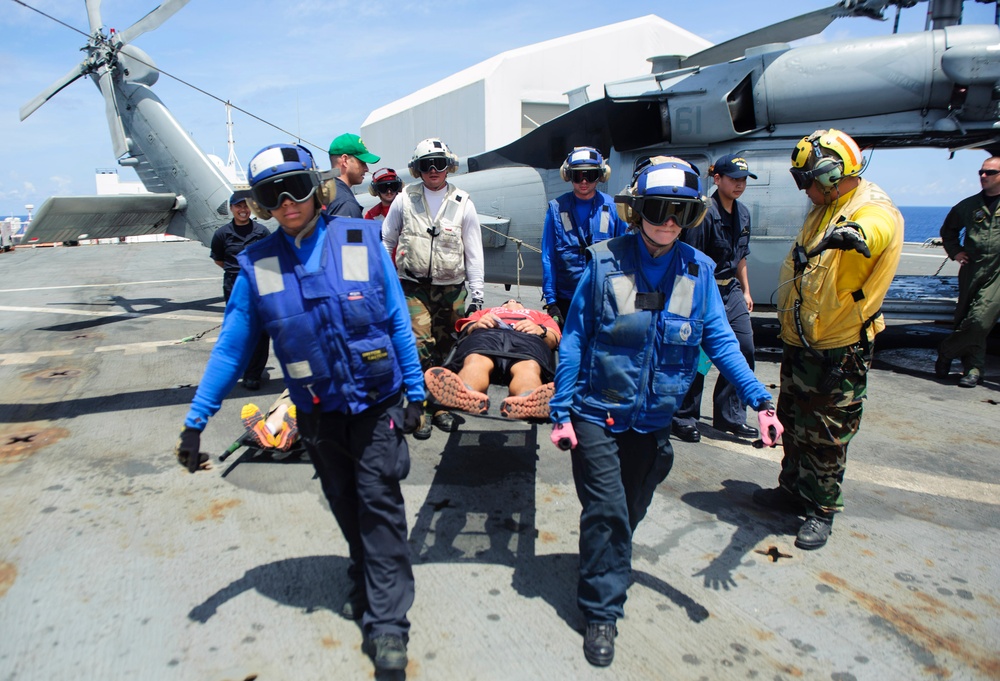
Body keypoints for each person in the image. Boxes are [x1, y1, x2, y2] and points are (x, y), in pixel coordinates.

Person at [174, 143, 425, 673]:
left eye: (295, 189)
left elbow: (397, 320)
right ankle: (366, 571)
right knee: (345, 504)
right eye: (272, 195)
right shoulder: (259, 265)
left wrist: (417, 394)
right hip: (317, 413)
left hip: (376, 404)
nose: (287, 202)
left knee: (379, 504)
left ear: (316, 188)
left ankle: (388, 625)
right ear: (262, 204)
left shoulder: (358, 239)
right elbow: (231, 347)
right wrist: (195, 421)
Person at [547, 159, 782, 668]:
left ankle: (600, 562)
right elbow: (574, 339)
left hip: (651, 421)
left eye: (680, 212)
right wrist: (560, 408)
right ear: (637, 211)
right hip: (597, 412)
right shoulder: (605, 263)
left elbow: (720, 340)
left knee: (627, 512)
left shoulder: (696, 272)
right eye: (658, 209)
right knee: (608, 511)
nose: (668, 222)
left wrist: (760, 398)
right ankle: (601, 612)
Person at [754, 129, 903, 551]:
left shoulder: (870, 207)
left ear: (831, 174)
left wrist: (855, 235)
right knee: (795, 420)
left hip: (840, 347)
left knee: (828, 431)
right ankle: (791, 489)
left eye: (807, 181)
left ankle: (822, 509)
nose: (804, 190)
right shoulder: (825, 205)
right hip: (804, 340)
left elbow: (876, 229)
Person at [382, 137, 486, 439]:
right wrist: (389, 280)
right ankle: (423, 409)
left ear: (448, 166)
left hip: (451, 290)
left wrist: (477, 296)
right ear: (417, 169)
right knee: (419, 347)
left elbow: (474, 252)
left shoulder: (463, 203)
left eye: (439, 164)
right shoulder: (404, 199)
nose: (433, 170)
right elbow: (386, 240)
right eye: (426, 165)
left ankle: (442, 406)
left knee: (447, 349)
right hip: (413, 287)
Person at [671, 154, 759, 443]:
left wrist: (746, 290)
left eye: (743, 180)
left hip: (730, 288)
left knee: (744, 347)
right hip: (702, 288)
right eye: (734, 178)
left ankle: (729, 417)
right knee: (696, 354)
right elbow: (691, 261)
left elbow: (741, 256)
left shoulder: (743, 213)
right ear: (717, 179)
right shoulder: (704, 214)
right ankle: (683, 416)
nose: (740, 184)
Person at [424, 298, 561, 419]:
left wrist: (541, 330)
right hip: (488, 335)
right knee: (476, 360)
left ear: (524, 308)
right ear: (500, 307)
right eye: (507, 301)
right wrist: (476, 325)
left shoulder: (539, 315)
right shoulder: (487, 312)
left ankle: (527, 399)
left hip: (527, 338)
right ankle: (467, 392)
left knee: (528, 366)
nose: (512, 301)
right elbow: (465, 328)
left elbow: (554, 338)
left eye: (516, 302)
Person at [541, 146, 628, 327]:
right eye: (578, 175)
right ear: (568, 176)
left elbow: (626, 254)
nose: (584, 181)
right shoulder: (557, 209)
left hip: (604, 299)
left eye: (590, 175)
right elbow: (548, 256)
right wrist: (551, 301)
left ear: (601, 175)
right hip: (567, 299)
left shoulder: (612, 209)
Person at [935, 156, 1000, 388]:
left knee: (980, 319)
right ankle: (973, 369)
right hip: (972, 268)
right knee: (966, 318)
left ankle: (946, 350)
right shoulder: (969, 206)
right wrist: (956, 252)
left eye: (990, 173)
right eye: (981, 172)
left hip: (998, 271)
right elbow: (949, 230)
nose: (983, 176)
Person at [209, 189, 271, 390]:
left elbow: (270, 258)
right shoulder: (221, 234)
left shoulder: (261, 232)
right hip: (234, 286)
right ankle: (243, 368)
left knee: (261, 332)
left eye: (246, 206)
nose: (243, 210)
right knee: (239, 329)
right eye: (238, 206)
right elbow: (219, 259)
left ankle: (253, 374)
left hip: (258, 286)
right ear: (231, 208)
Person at [324, 133, 380, 218]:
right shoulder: (346, 204)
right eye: (362, 162)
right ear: (345, 160)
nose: (366, 169)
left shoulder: (322, 194)